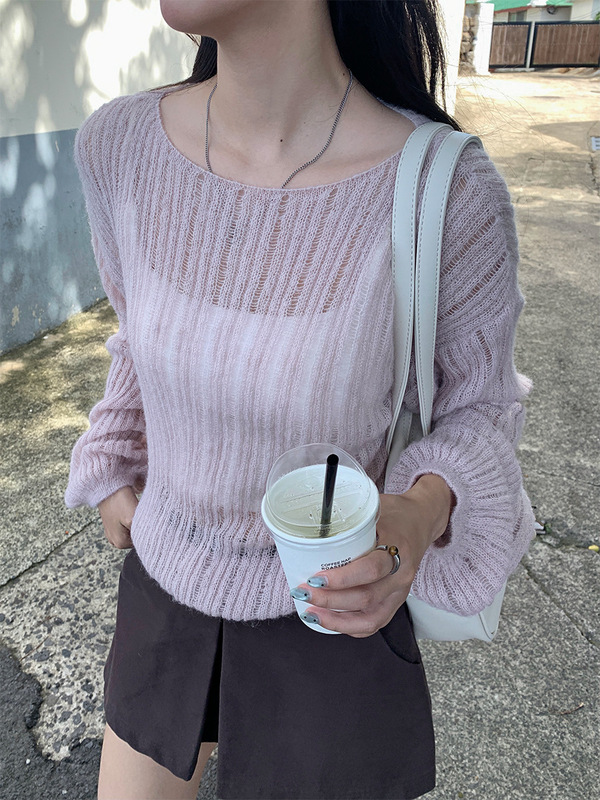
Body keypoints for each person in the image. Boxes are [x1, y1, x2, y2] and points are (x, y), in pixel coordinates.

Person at [64, 1, 536, 798]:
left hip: (333, 608)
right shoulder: (118, 145)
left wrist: (417, 515)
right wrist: (113, 452)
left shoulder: (446, 191)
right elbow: (136, 332)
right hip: (163, 578)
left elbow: (482, 409)